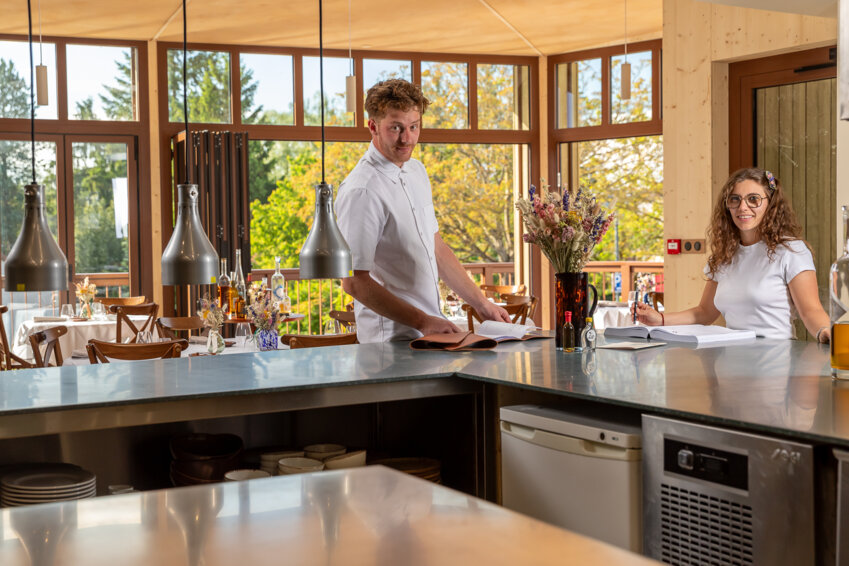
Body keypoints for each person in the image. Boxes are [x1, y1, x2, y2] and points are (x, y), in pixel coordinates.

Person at [336, 79, 510, 343]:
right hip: (389, 344)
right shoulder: (362, 189)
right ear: (373, 127)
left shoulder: (416, 171)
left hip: (430, 336)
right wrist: (423, 321)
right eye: (396, 127)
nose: (407, 138)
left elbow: (437, 248)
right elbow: (353, 282)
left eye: (413, 127)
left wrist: (482, 303)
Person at [632, 167, 830, 342]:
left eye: (753, 199)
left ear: (771, 205)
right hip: (731, 360)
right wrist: (660, 319)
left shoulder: (791, 251)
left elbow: (811, 311)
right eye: (735, 199)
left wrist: (825, 331)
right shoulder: (724, 255)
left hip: (777, 360)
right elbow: (705, 312)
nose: (743, 207)